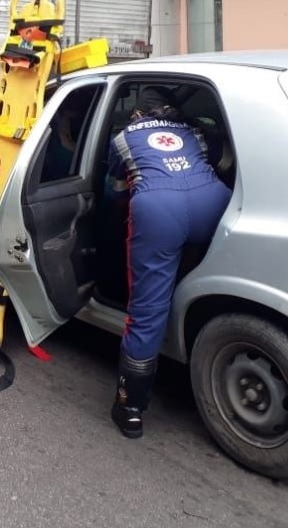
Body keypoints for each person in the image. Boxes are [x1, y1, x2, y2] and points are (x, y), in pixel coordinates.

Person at [105, 86, 232, 439]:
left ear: (138, 113)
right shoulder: (194, 131)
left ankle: (129, 408)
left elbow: (115, 190)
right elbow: (219, 163)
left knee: (146, 313)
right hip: (214, 202)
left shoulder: (124, 137)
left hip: (159, 212)